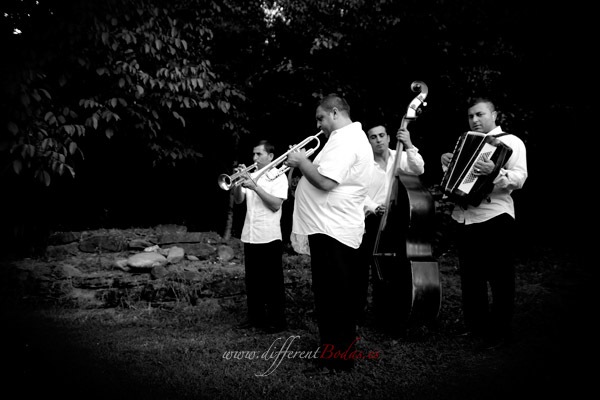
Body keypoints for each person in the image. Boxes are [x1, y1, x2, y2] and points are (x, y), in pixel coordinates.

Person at [285, 94, 373, 372]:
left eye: (321, 118)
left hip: (334, 228)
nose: (319, 124)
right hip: (328, 226)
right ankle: (331, 353)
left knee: (335, 296)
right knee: (329, 295)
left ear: (335, 112)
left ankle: (338, 359)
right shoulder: (341, 139)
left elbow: (324, 181)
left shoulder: (347, 140)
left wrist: (301, 162)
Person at [441, 97, 527, 349]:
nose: (475, 120)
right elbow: (458, 182)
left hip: (495, 216)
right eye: (471, 116)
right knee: (471, 278)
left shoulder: (511, 142)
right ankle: (477, 328)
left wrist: (494, 171)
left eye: (480, 114)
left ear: (494, 115)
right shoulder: (466, 141)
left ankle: (500, 331)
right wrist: (447, 162)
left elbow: (520, 179)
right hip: (466, 217)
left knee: (500, 278)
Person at [357, 124, 425, 325]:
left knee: (392, 267)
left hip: (396, 220)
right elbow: (357, 193)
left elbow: (419, 168)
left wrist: (409, 144)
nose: (378, 140)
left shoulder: (400, 156)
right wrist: (373, 207)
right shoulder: (364, 163)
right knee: (363, 266)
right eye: (373, 137)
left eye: (381, 135)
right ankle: (359, 313)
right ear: (368, 141)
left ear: (388, 137)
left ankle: (390, 312)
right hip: (371, 219)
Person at [233, 140, 289, 333]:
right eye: (253, 154)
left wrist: (255, 186)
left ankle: (277, 321)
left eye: (259, 154)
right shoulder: (251, 175)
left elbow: (275, 205)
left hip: (269, 236)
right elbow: (239, 200)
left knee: (272, 282)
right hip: (250, 234)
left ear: (271, 156)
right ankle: (255, 317)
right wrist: (237, 182)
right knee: (253, 280)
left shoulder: (278, 176)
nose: (254, 158)